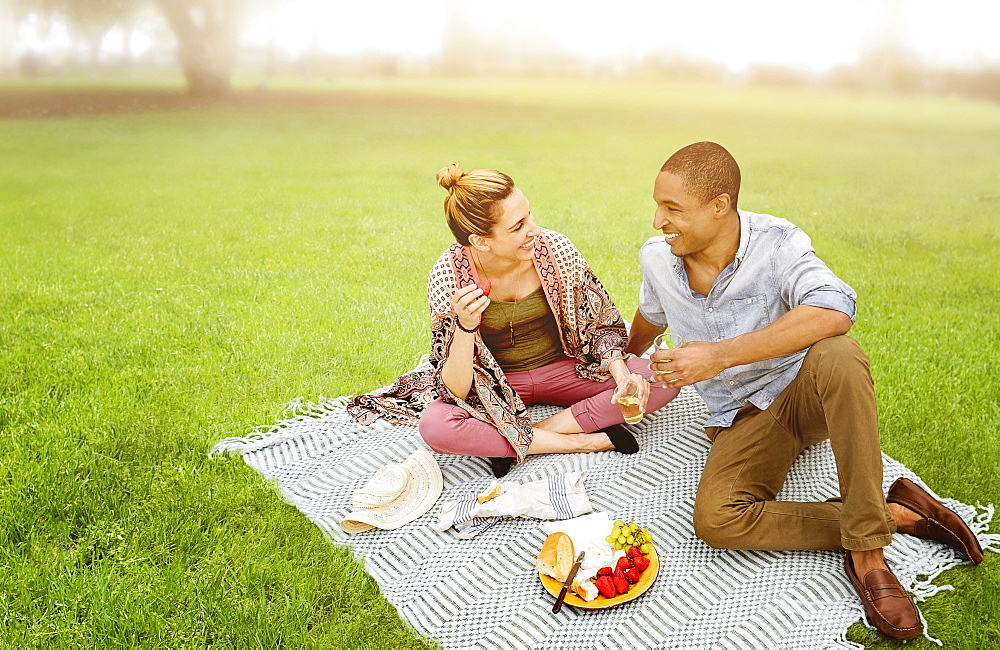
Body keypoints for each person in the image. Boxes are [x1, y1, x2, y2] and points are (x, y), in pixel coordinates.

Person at [625, 142, 984, 641]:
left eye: (672, 209)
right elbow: (651, 314)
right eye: (658, 205)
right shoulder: (658, 259)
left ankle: (867, 556)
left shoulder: (777, 243)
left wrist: (718, 353)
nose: (658, 220)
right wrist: (621, 359)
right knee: (717, 521)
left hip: (803, 390)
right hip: (738, 417)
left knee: (840, 352)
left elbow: (834, 309)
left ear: (719, 205)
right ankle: (894, 513)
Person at [348, 163, 679, 477]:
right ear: (481, 241)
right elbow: (456, 390)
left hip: (566, 368)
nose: (534, 229)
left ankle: (517, 439)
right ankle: (580, 440)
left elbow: (600, 324)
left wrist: (621, 375)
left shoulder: (556, 250)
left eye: (529, 214)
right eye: (518, 226)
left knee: (663, 376)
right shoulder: (448, 278)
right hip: (497, 383)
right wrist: (464, 326)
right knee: (436, 425)